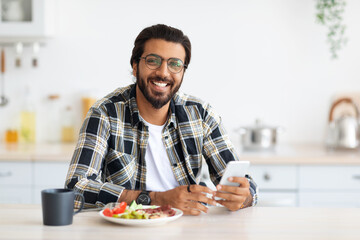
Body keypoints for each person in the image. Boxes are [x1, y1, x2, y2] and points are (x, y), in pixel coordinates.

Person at [65, 24, 258, 215]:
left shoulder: (201, 114)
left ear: (182, 72)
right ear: (135, 66)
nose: (164, 73)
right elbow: (75, 189)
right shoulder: (105, 113)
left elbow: (245, 185)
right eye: (153, 61)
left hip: (189, 227)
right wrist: (155, 199)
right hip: (126, 229)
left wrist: (243, 196)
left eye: (174, 64)